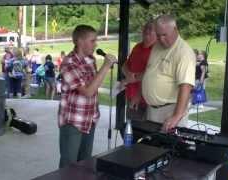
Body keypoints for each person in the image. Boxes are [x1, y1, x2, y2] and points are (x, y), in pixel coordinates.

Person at [58, 25, 117, 168]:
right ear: (79, 41)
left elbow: (94, 86)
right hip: (73, 121)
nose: (96, 44)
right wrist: (105, 66)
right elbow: (87, 91)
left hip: (90, 119)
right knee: (69, 165)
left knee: (85, 163)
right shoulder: (69, 64)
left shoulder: (91, 59)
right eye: (92, 41)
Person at [141, 15, 196, 132]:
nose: (161, 39)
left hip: (170, 111)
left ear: (175, 30)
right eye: (158, 35)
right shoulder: (157, 46)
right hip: (152, 110)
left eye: (165, 35)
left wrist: (176, 116)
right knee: (150, 148)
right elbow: (152, 72)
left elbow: (186, 86)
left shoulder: (184, 52)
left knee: (166, 149)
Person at [121, 20, 156, 122]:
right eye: (146, 28)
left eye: (151, 29)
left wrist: (138, 95)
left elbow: (151, 74)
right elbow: (125, 65)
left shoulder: (157, 50)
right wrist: (128, 75)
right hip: (131, 95)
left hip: (145, 99)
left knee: (142, 131)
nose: (147, 31)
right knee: (129, 128)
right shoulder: (137, 47)